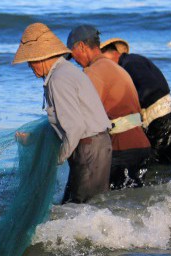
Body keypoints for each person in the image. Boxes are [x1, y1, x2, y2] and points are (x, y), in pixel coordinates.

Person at [13, 23, 112, 203]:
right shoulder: (65, 72)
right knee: (83, 207)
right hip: (94, 145)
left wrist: (56, 159)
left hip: (89, 148)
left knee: (82, 210)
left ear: (40, 57)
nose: (30, 67)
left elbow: (75, 127)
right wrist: (33, 138)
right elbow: (65, 123)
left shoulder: (58, 79)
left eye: (30, 62)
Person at [66, 25, 152, 189]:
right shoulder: (116, 68)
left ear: (82, 47)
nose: (75, 61)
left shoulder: (93, 72)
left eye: (73, 55)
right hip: (141, 145)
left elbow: (84, 115)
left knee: (108, 204)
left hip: (123, 148)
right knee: (131, 204)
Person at [100, 38, 171, 165]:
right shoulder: (135, 60)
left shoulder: (129, 65)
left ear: (112, 54)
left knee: (156, 170)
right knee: (167, 168)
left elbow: (148, 89)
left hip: (162, 123)